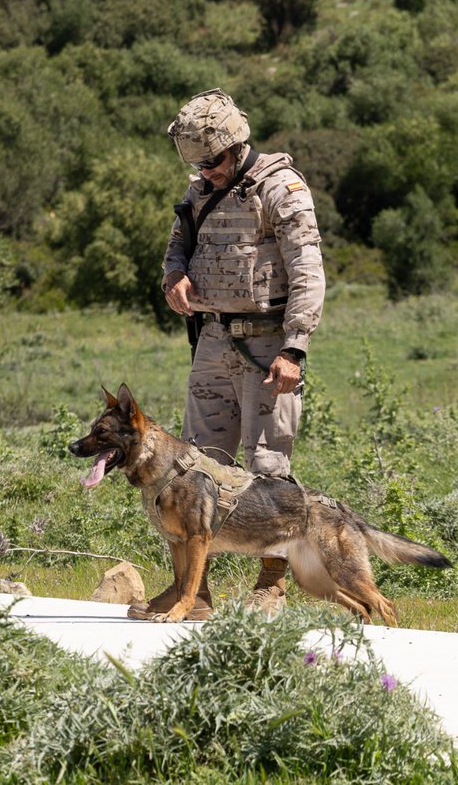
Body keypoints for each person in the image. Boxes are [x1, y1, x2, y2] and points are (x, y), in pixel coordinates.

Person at [151, 87, 325, 618]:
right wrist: (174, 276)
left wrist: (294, 348)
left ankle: (271, 583)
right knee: (192, 471)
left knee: (268, 468)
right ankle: (192, 592)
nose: (207, 171)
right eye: (198, 163)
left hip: (268, 345)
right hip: (211, 340)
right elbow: (178, 246)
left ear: (238, 144)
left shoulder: (282, 190)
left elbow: (308, 273)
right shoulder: (199, 191)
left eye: (214, 160)